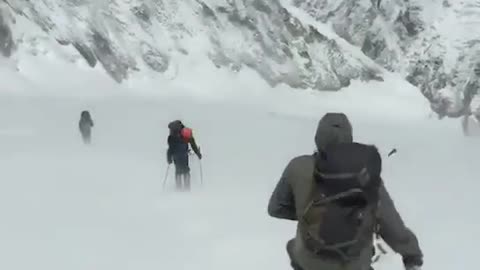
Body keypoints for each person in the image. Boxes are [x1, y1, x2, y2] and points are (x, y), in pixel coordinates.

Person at [267, 112, 423, 270]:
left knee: (294, 246)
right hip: (356, 264)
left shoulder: (298, 167)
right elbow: (389, 221)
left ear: (317, 138)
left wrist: (308, 213)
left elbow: (276, 208)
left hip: (311, 261)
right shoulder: (364, 173)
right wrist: (411, 254)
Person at [166, 120, 202, 191]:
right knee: (186, 170)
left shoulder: (171, 136)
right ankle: (187, 189)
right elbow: (193, 144)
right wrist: (198, 153)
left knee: (178, 171)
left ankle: (179, 189)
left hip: (176, 155)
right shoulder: (186, 133)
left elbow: (170, 149)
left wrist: (169, 158)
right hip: (184, 154)